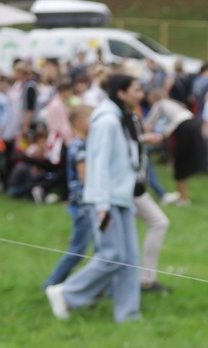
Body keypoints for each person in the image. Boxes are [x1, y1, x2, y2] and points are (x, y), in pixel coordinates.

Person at [44, 74, 143, 324]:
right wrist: (102, 205)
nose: (140, 94)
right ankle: (65, 293)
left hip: (121, 197)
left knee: (130, 259)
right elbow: (97, 164)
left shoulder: (121, 118)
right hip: (105, 199)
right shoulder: (107, 121)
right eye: (136, 89)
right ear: (121, 93)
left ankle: (128, 314)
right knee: (112, 255)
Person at [43, 105, 94, 289]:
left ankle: (102, 289)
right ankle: (51, 285)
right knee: (77, 251)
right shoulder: (79, 146)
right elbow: (85, 178)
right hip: (83, 206)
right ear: (79, 122)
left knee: (102, 251)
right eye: (91, 119)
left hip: (86, 205)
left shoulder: (82, 144)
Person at [143, 88, 204, 206]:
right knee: (182, 163)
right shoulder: (172, 103)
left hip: (182, 130)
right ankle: (183, 196)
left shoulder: (160, 104)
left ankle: (183, 198)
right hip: (192, 125)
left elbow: (149, 122)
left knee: (179, 164)